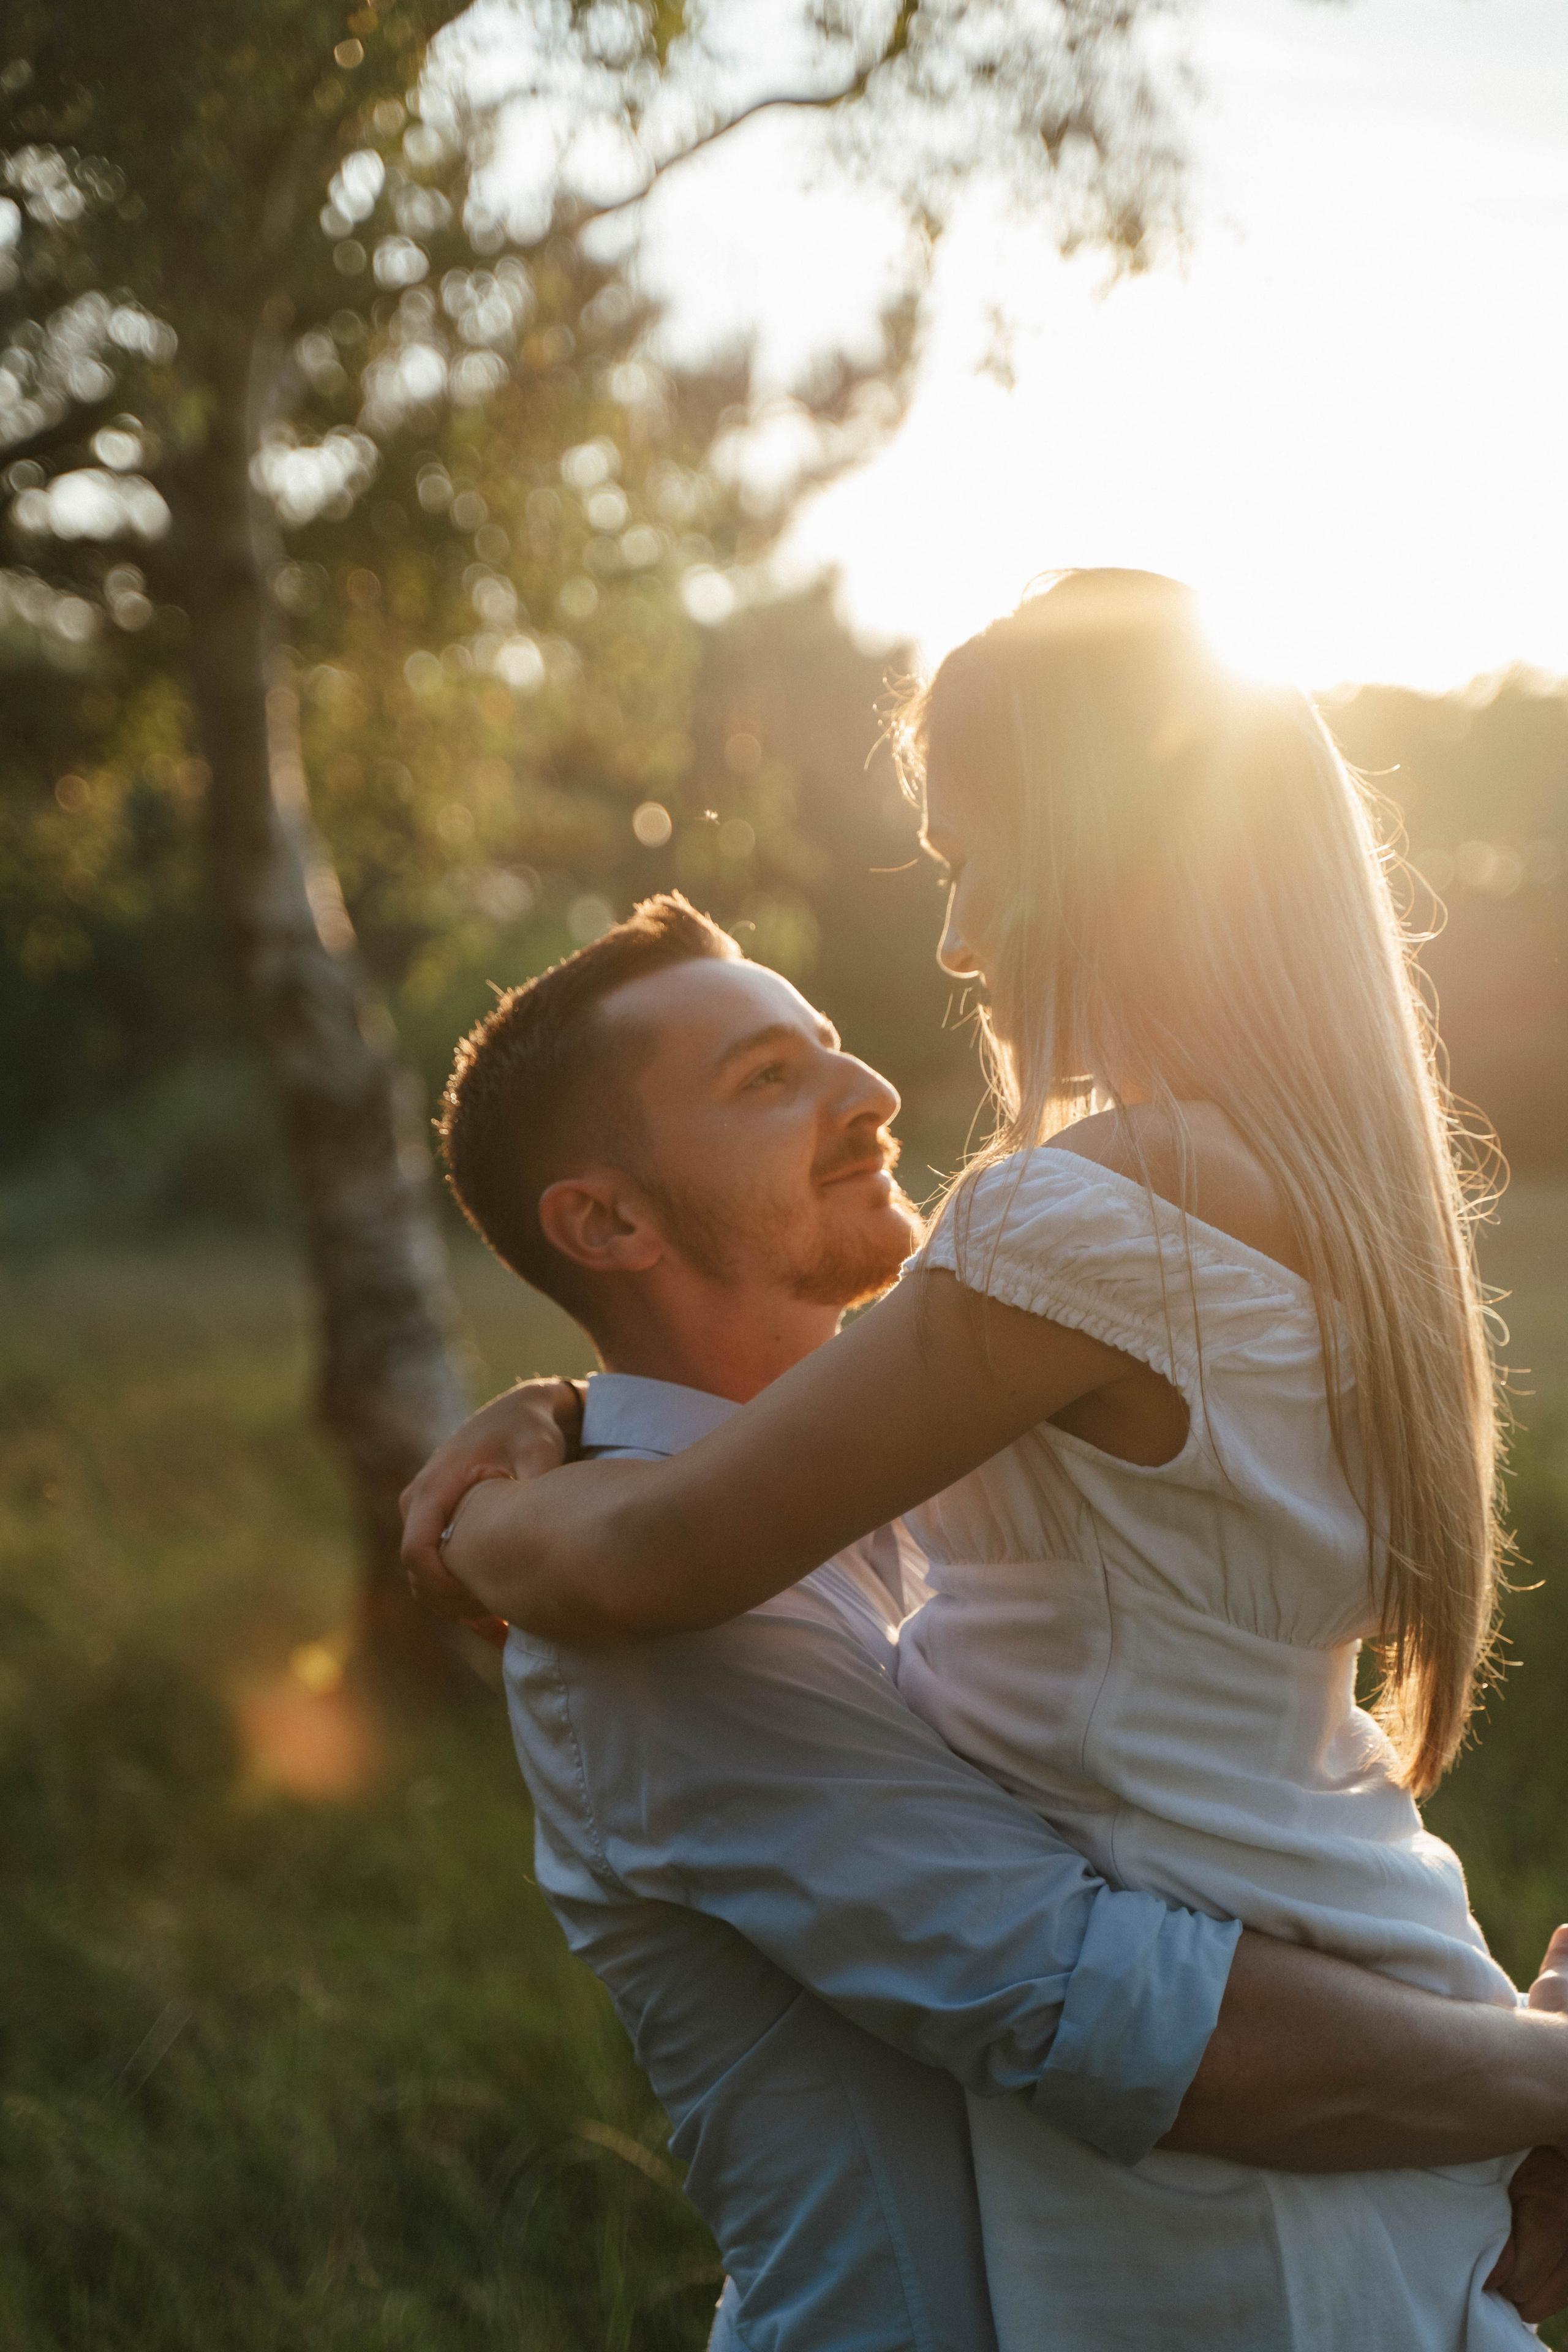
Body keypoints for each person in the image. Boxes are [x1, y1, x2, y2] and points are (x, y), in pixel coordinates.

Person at [412, 574, 1568, 2349]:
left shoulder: (1070, 1242)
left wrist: (477, 1522)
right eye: (765, 1078)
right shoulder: (1262, 1217)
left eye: (964, 860)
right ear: (609, 1216)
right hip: (1325, 2062)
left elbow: (659, 1553)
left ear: (1091, 848)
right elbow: (1100, 1999)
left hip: (1259, 2171)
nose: (942, 963)